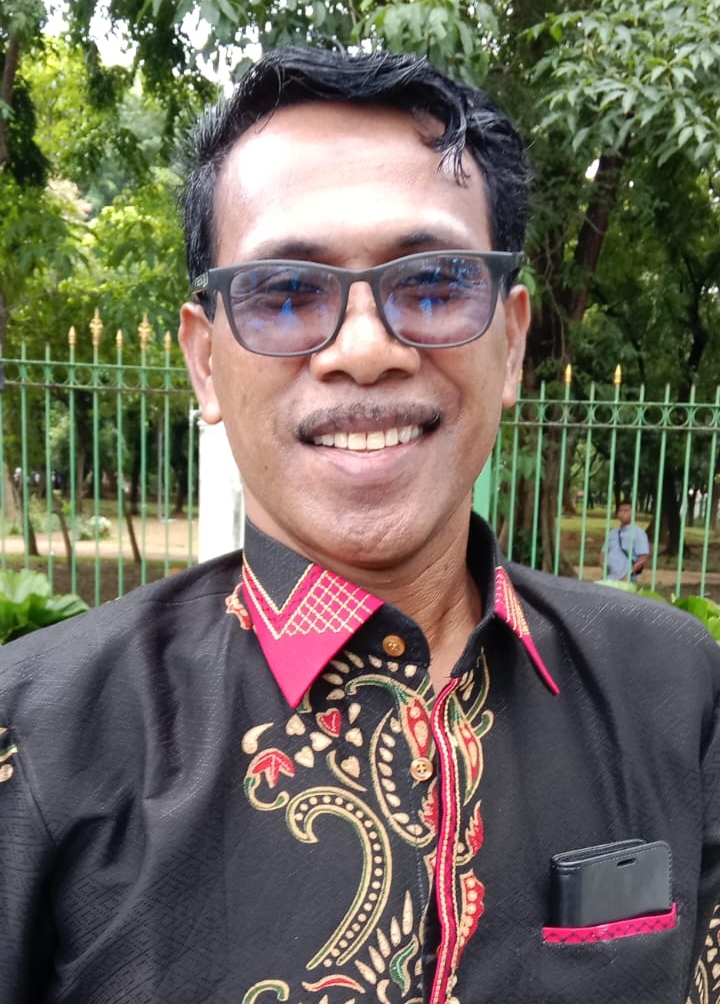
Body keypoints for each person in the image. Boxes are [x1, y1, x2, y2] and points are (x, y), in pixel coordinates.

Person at [0, 45, 719, 1004]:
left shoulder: (672, 688)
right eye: (285, 292)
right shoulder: (42, 736)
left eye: (434, 284)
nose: (367, 350)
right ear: (206, 362)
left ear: (511, 343)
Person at [601, 501, 651, 581]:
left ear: (633, 513)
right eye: (620, 510)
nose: (622, 513)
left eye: (626, 511)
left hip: (626, 579)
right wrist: (604, 567)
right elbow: (603, 553)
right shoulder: (613, 533)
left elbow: (644, 556)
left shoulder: (638, 533)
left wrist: (629, 574)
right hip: (609, 578)